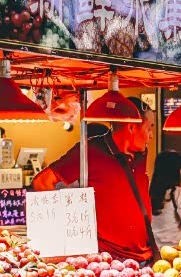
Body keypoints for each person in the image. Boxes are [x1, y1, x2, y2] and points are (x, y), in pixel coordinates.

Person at [30, 97, 156, 262]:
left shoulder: (141, 154)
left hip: (144, 257)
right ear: (131, 127)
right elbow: (42, 182)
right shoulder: (90, 151)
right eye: (149, 128)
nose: (151, 136)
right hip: (109, 262)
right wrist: (67, 230)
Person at [150, 149, 181, 248]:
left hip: (156, 246)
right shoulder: (177, 192)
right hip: (177, 246)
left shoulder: (148, 189)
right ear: (177, 171)